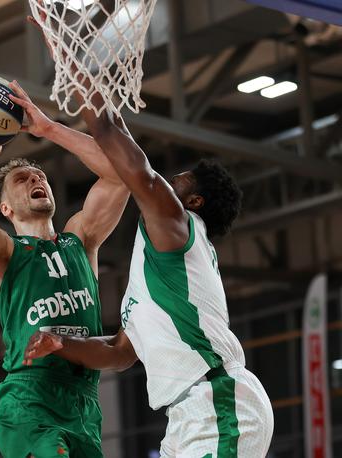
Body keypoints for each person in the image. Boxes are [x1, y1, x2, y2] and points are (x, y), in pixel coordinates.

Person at [23, 63, 274, 457]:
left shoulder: (178, 225)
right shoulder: (159, 267)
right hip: (187, 414)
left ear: (193, 203)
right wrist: (62, 343)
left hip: (217, 400)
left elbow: (117, 145)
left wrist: (71, 62)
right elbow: (120, 352)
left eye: (179, 182)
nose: (167, 182)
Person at [0, 74, 129, 456]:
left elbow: (121, 174)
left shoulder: (80, 239)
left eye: (39, 175)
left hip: (84, 402)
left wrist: (48, 128)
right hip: (28, 399)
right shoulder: (5, 253)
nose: (36, 179)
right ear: (5, 208)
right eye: (22, 179)